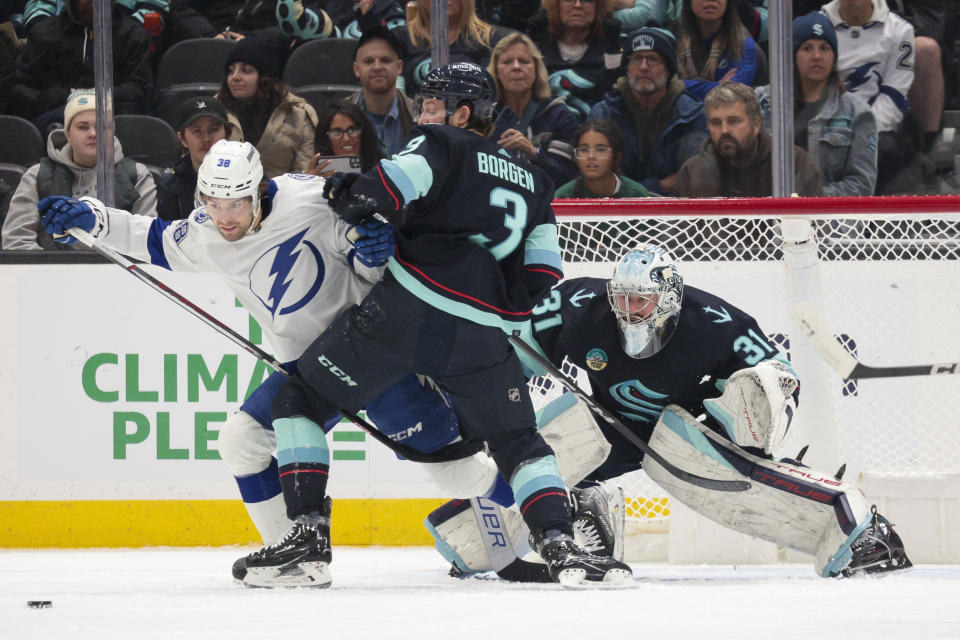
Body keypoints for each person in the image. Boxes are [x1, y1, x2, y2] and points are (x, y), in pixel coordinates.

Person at [242, 62, 632, 588]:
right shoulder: (539, 184)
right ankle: (561, 543)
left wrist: (340, 191)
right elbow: (544, 275)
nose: (421, 113)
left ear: (461, 112)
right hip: (484, 333)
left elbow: (376, 193)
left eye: (429, 104)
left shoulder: (441, 143)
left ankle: (308, 535)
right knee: (519, 442)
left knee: (297, 401)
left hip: (407, 312)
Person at [35, 139, 465, 573]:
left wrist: (373, 252)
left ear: (258, 191)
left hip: (373, 349)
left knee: (451, 465)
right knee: (242, 442)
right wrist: (93, 215)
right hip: (310, 364)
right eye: (212, 202)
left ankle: (526, 513)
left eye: (236, 203)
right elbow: (151, 238)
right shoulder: (205, 231)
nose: (224, 217)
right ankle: (296, 559)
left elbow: (368, 246)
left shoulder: (308, 198)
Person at [426, 244, 913, 581]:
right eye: (622, 300)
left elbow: (776, 376)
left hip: (690, 432)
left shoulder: (715, 324)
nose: (628, 312)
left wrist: (747, 424)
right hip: (606, 423)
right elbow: (512, 346)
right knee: (523, 469)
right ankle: (576, 507)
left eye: (641, 302)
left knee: (711, 461)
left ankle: (860, 528)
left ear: (669, 299)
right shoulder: (580, 303)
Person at [2, 89, 157, 251]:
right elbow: (16, 241)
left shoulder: (137, 175)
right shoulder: (37, 175)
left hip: (118, 272)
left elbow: (146, 239)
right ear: (68, 134)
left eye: (102, 127)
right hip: (52, 272)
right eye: (83, 127)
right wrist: (53, 271)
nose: (93, 134)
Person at [756, 13, 877, 196]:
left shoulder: (858, 113)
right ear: (792, 55)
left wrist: (809, 200)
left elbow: (862, 185)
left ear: (834, 56)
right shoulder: (760, 102)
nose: (817, 56)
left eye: (825, 48)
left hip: (830, 221)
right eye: (807, 48)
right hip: (769, 217)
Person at [588, 27, 708, 194]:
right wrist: (658, 186)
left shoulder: (693, 114)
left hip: (678, 212)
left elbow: (694, 176)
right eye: (637, 59)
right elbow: (595, 174)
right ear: (627, 67)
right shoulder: (603, 114)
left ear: (668, 69)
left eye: (653, 59)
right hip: (615, 211)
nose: (643, 67)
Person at [8, 0, 154, 129]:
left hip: (117, 128)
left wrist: (91, 97)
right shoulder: (43, 35)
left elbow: (140, 90)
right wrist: (65, 98)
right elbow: (19, 90)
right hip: (52, 128)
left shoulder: (134, 36)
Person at [820, 0, 915, 192]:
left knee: (882, 148)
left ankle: (880, 218)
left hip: (876, 130)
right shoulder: (816, 27)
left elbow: (894, 96)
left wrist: (861, 130)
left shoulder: (900, 31)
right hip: (825, 123)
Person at [675, 80, 822, 196]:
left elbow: (818, 230)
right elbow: (679, 233)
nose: (724, 130)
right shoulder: (692, 173)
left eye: (734, 121)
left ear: (756, 124)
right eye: (716, 123)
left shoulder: (793, 164)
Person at [216, 34, 319, 180]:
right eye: (231, 70)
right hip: (222, 196)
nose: (235, 77)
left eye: (246, 70)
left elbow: (306, 174)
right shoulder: (215, 109)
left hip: (283, 198)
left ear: (266, 77)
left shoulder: (298, 112)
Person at [487, 31, 580, 188]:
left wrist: (533, 152)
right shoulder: (483, 116)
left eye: (523, 61)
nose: (516, 67)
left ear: (536, 69)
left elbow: (567, 179)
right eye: (507, 62)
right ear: (496, 71)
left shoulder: (559, 115)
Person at [394, 0, 511, 97]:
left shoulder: (489, 39)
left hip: (469, 119)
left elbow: (489, 92)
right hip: (414, 119)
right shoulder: (401, 37)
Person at [530, 0, 623, 121]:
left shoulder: (610, 45)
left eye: (587, 1)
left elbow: (613, 88)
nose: (578, 5)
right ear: (557, 6)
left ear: (598, 7)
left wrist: (613, 47)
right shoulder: (537, 44)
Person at [156, 96, 231, 221]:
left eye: (214, 129)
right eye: (197, 131)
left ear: (227, 133)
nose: (206, 138)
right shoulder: (170, 183)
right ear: (182, 139)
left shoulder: (250, 173)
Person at [349, 26, 416, 157]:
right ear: (356, 69)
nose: (377, 67)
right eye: (369, 61)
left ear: (399, 67)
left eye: (385, 60)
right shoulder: (337, 117)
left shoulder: (421, 116)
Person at [673, 0, 759, 100]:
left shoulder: (743, 44)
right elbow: (666, 87)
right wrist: (720, 86)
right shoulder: (672, 38)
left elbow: (734, 93)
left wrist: (681, 85)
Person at [555, 119, 653, 196]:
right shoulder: (563, 196)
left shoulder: (637, 195)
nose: (591, 156)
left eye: (600, 150)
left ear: (617, 156)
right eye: (584, 150)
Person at [308, 101, 385, 176]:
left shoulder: (381, 174)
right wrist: (311, 183)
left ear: (363, 133)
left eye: (353, 130)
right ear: (326, 138)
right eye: (337, 132)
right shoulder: (316, 178)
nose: (346, 139)